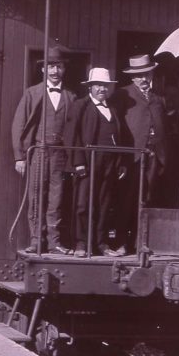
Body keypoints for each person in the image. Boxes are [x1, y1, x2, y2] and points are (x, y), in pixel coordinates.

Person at [10, 46, 80, 255]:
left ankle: (54, 241)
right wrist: (19, 157)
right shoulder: (32, 93)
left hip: (60, 153)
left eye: (58, 67)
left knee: (56, 198)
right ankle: (36, 240)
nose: (54, 71)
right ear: (43, 70)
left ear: (63, 70)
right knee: (36, 195)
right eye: (50, 67)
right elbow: (18, 125)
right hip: (38, 151)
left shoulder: (71, 96)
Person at [113, 54, 170, 252]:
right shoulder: (123, 95)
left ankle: (141, 243)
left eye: (146, 74)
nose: (143, 79)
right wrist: (121, 156)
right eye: (139, 76)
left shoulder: (158, 98)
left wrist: (162, 153)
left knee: (147, 198)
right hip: (132, 156)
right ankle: (121, 242)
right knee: (127, 199)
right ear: (132, 77)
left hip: (153, 155)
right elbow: (117, 125)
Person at [72, 67, 125, 257]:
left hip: (109, 161)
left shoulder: (113, 108)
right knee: (83, 203)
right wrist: (78, 162)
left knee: (104, 203)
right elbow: (73, 135)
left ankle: (101, 243)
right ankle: (81, 243)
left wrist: (120, 163)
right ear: (90, 87)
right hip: (88, 160)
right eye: (98, 85)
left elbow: (119, 136)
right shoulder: (81, 105)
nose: (102, 89)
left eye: (105, 86)